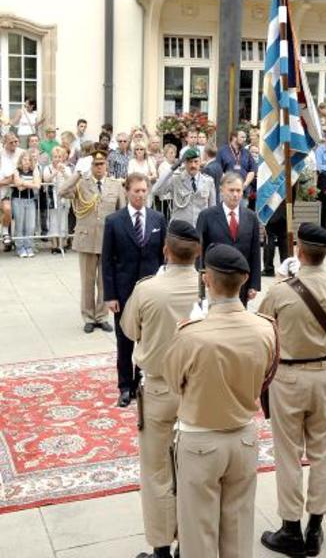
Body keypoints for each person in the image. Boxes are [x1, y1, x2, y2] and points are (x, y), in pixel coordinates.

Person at [163, 243, 277, 558]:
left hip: (201, 438)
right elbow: (268, 374)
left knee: (198, 533)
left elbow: (175, 383)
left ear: (207, 280)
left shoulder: (191, 334)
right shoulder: (266, 329)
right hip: (243, 436)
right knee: (238, 529)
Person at [259, 223, 326, 557]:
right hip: (325, 374)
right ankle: (315, 526)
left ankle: (290, 528)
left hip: (288, 378)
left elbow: (262, 334)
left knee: (288, 455)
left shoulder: (281, 291)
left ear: (299, 251)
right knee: (321, 454)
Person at [121, 220, 201, 558]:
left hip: (157, 389)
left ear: (165, 251)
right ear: (197, 254)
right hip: (197, 389)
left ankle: (161, 548)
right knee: (192, 469)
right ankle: (189, 543)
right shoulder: (209, 286)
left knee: (156, 470)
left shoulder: (147, 289)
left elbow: (129, 330)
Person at [102, 172, 166, 407]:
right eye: (136, 191)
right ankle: (124, 386)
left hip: (151, 292)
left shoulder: (158, 219)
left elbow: (164, 257)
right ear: (127, 191)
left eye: (144, 191)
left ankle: (141, 379)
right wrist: (109, 295)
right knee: (124, 341)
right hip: (124, 291)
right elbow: (107, 261)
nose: (140, 195)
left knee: (148, 339)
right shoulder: (114, 221)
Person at [59, 150, 125, 333]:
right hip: (87, 239)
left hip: (108, 240)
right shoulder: (81, 184)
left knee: (105, 282)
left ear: (107, 166)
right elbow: (62, 191)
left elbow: (122, 213)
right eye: (95, 164)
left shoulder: (115, 185)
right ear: (91, 166)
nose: (99, 167)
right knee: (87, 282)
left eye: (102, 164)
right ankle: (88, 316)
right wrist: (78, 173)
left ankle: (102, 316)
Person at [196, 171, 261, 306]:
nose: (235, 194)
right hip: (215, 282)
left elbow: (255, 252)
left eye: (239, 190)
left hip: (241, 282)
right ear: (221, 190)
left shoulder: (251, 217)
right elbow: (199, 249)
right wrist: (202, 275)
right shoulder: (207, 216)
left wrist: (254, 284)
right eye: (231, 190)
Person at [152, 148, 215, 226]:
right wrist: (172, 169)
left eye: (196, 161)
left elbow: (212, 208)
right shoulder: (176, 179)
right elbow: (155, 190)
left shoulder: (208, 181)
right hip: (180, 229)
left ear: (200, 162)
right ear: (184, 163)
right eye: (190, 162)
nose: (193, 165)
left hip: (200, 227)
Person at [11, 151, 41, 258]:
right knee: (20, 225)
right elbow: (18, 186)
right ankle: (20, 247)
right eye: (24, 159)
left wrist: (24, 182)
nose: (27, 162)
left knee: (30, 225)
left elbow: (37, 185)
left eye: (29, 160)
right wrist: (30, 183)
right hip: (18, 200)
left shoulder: (34, 170)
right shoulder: (16, 171)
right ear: (21, 160)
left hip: (30, 200)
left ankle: (29, 247)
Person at [43, 146, 72, 254]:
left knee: (63, 221)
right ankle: (54, 245)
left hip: (64, 198)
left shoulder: (67, 168)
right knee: (53, 221)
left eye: (59, 156)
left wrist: (63, 171)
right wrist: (56, 172)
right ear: (52, 157)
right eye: (55, 157)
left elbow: (70, 179)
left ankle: (61, 244)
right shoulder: (48, 168)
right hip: (52, 198)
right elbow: (46, 179)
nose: (57, 159)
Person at [216, 129, 257, 197]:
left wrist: (245, 184)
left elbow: (252, 170)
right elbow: (218, 170)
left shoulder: (247, 152)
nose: (244, 139)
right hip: (228, 191)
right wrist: (228, 183)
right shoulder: (222, 151)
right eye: (242, 137)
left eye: (245, 137)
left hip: (243, 192)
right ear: (234, 137)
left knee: (242, 207)